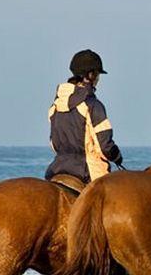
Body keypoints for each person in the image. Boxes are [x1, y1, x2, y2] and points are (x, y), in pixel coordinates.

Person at [45, 49, 123, 184]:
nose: (98, 79)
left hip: (57, 168)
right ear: (91, 75)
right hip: (89, 172)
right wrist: (117, 156)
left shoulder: (55, 105)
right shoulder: (93, 105)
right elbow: (105, 146)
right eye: (98, 74)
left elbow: (53, 143)